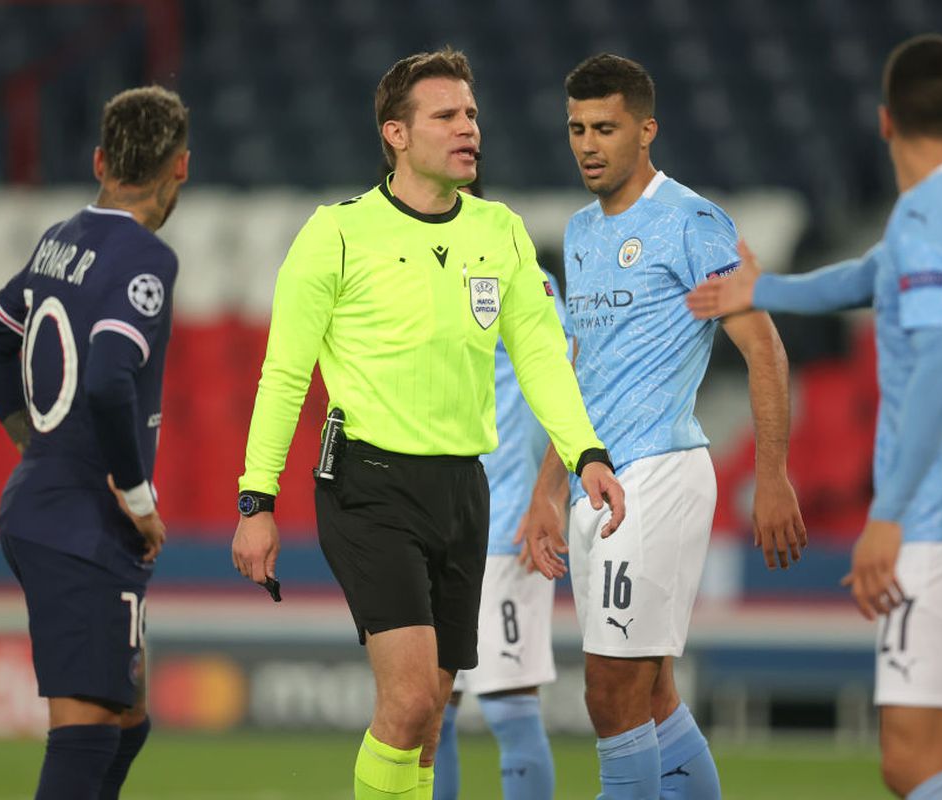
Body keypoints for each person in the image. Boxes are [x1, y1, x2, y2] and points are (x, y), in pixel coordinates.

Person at [230, 48, 626, 800]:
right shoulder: (336, 235)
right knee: (409, 702)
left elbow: (544, 358)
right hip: (368, 484)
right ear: (397, 135)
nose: (468, 127)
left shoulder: (501, 233)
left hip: (462, 490)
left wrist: (587, 455)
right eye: (445, 115)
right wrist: (257, 500)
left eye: (471, 113)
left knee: (433, 716)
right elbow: (284, 375)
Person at [689, 34, 942, 800]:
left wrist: (889, 516)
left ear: (885, 122)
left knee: (911, 762)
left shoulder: (928, 221)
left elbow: (941, 367)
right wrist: (762, 291)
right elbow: (865, 277)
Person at [526, 54, 806, 799]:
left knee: (610, 695)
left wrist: (773, 476)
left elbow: (764, 348)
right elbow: (578, 372)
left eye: (606, 128)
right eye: (577, 128)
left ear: (646, 130)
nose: (588, 143)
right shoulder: (582, 233)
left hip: (654, 477)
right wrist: (548, 489)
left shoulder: (691, 222)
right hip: (597, 484)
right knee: (650, 697)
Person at [0, 86, 189, 800]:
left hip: (50, 503)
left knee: (128, 719)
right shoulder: (147, 259)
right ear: (179, 167)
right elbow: (106, 381)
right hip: (85, 524)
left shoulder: (60, 239)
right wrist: (137, 496)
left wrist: (39, 444)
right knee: (90, 728)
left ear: (99, 160)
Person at [433, 170, 565, 800]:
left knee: (509, 704)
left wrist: (548, 495)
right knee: (431, 708)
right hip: (431, 522)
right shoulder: (411, 270)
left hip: (504, 518)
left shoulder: (520, 269)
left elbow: (564, 380)